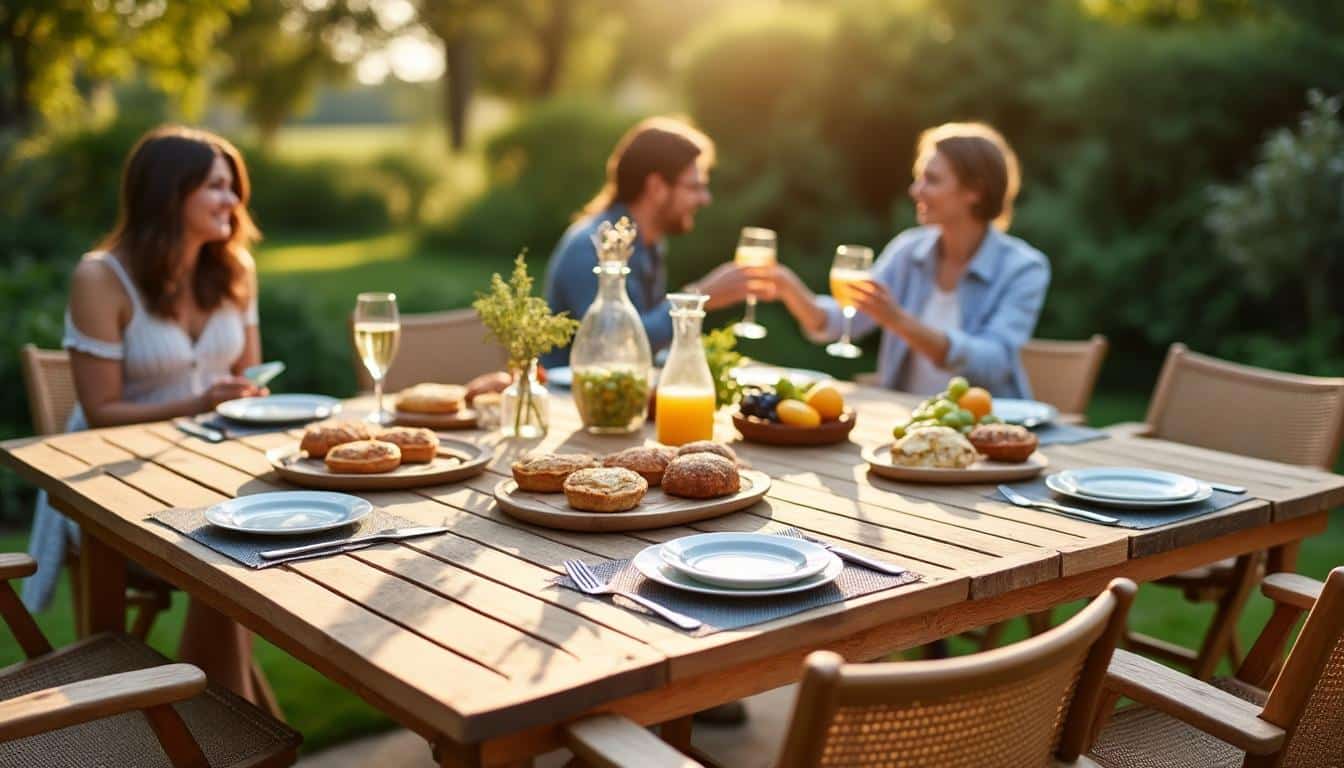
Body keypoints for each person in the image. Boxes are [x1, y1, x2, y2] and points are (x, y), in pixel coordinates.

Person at [24, 125, 269, 703]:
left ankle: (209, 724)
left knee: (266, 537)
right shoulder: (101, 278)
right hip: (111, 485)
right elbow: (101, 410)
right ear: (168, 193)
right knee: (228, 555)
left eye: (233, 187)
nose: (232, 201)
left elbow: (248, 383)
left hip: (212, 469)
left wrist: (248, 400)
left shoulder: (234, 270)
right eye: (215, 186)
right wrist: (200, 403)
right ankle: (221, 728)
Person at [774, 122, 1050, 397]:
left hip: (984, 427)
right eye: (919, 177)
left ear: (974, 192)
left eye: (932, 179)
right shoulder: (908, 250)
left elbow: (992, 363)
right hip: (908, 420)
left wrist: (899, 322)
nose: (915, 190)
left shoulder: (1023, 268)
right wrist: (788, 286)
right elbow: (846, 321)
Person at [542, 116, 773, 367]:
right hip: (570, 400)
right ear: (656, 187)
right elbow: (618, 346)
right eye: (694, 187)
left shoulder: (650, 243)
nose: (705, 199)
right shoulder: (594, 248)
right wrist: (697, 298)